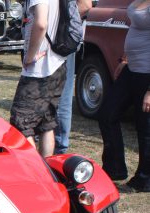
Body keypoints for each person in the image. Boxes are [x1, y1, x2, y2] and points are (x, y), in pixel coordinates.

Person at [98, 0, 150, 192]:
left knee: (145, 128)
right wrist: (125, 58)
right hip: (132, 68)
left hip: (147, 73)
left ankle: (144, 179)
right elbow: (133, 28)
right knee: (107, 114)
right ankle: (114, 168)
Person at [9, 0, 66, 157]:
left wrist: (29, 56)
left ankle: (34, 174)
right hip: (57, 64)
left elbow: (41, 24)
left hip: (39, 70)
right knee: (46, 124)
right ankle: (46, 171)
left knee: (20, 124)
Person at [54, 0, 92, 154]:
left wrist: (60, 23)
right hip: (46, 40)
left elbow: (86, 5)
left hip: (61, 41)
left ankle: (60, 147)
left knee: (62, 96)